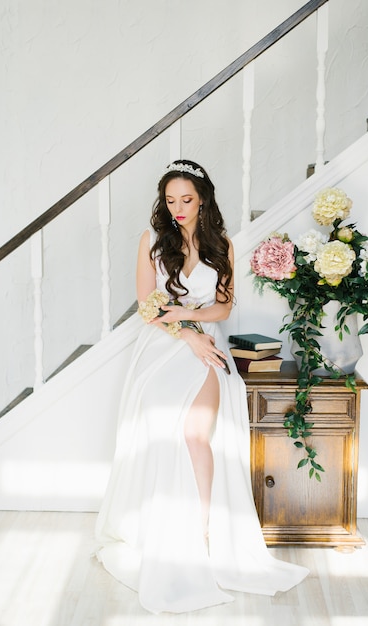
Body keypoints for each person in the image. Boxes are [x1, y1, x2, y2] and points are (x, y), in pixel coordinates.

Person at [94, 159, 309, 614]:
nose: (178, 209)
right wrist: (186, 331)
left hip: (209, 348)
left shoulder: (221, 244)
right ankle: (158, 522)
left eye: (186, 200)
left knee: (196, 434)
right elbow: (147, 307)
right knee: (163, 432)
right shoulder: (151, 242)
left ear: (203, 199)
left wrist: (194, 326)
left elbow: (224, 309)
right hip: (161, 350)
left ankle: (206, 527)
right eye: (170, 201)